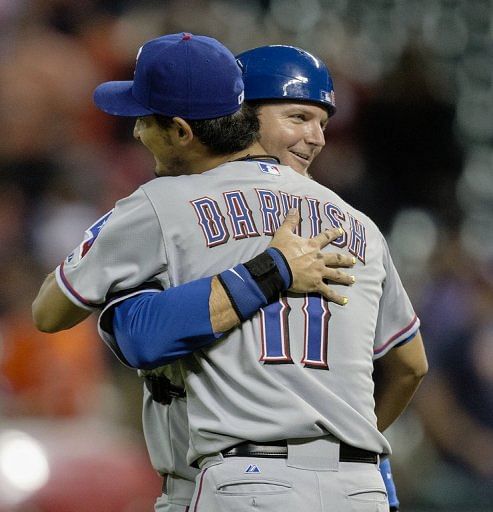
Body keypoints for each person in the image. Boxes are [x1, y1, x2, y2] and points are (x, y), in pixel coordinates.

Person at [32, 34, 428, 511]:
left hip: (245, 478)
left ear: (185, 128)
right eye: (298, 117)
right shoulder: (359, 223)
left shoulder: (166, 205)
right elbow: (411, 366)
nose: (315, 137)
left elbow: (53, 312)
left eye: (318, 121)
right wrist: (351, 443)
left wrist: (262, 275)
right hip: (359, 486)